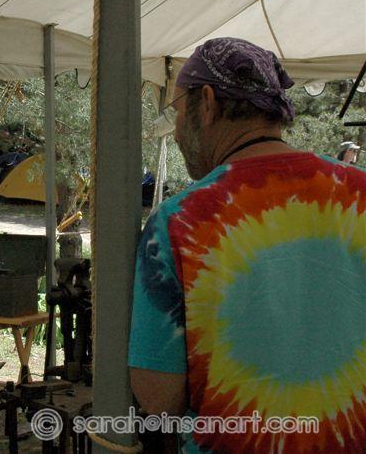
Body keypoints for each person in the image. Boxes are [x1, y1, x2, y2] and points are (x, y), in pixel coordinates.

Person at [128, 37, 366, 453]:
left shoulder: (180, 222)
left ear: (207, 103)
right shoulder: (360, 194)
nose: (178, 132)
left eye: (178, 111)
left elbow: (159, 399)